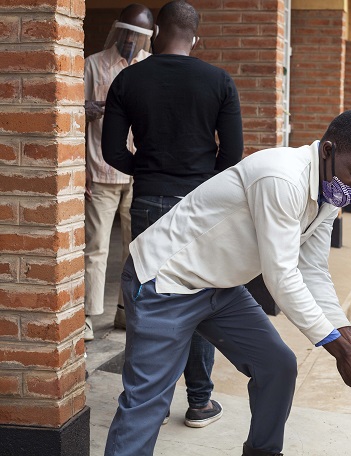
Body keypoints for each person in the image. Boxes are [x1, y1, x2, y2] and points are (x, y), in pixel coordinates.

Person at [102, 109, 351, 456]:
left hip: (218, 287)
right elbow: (281, 277)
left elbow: (313, 270)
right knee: (149, 400)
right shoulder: (283, 177)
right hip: (166, 282)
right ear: (328, 150)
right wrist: (341, 351)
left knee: (277, 366)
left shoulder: (330, 192)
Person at [101, 0, 244, 428]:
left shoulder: (128, 79)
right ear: (194, 38)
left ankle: (153, 404)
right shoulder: (219, 81)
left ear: (157, 33)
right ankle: (199, 402)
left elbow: (111, 151)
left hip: (148, 202)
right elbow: (233, 155)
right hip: (200, 208)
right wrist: (203, 183)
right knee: (197, 298)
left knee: (147, 302)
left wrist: (147, 170)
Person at [83, 3, 153, 341]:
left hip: (139, 175)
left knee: (135, 249)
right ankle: (86, 317)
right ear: (118, 29)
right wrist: (87, 111)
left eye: (138, 36)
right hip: (101, 170)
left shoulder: (150, 66)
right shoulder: (94, 65)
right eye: (127, 32)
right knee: (95, 248)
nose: (131, 41)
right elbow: (72, 117)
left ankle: (126, 314)